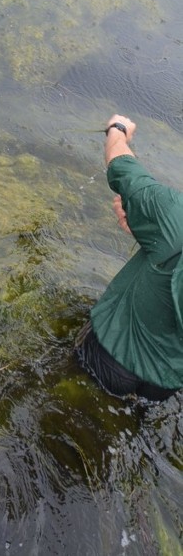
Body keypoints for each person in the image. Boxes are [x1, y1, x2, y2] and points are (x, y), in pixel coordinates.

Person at [75, 114, 183, 401]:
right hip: (166, 382)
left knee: (74, 396)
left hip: (114, 353)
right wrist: (146, 230)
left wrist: (118, 130)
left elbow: (122, 167)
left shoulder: (175, 213)